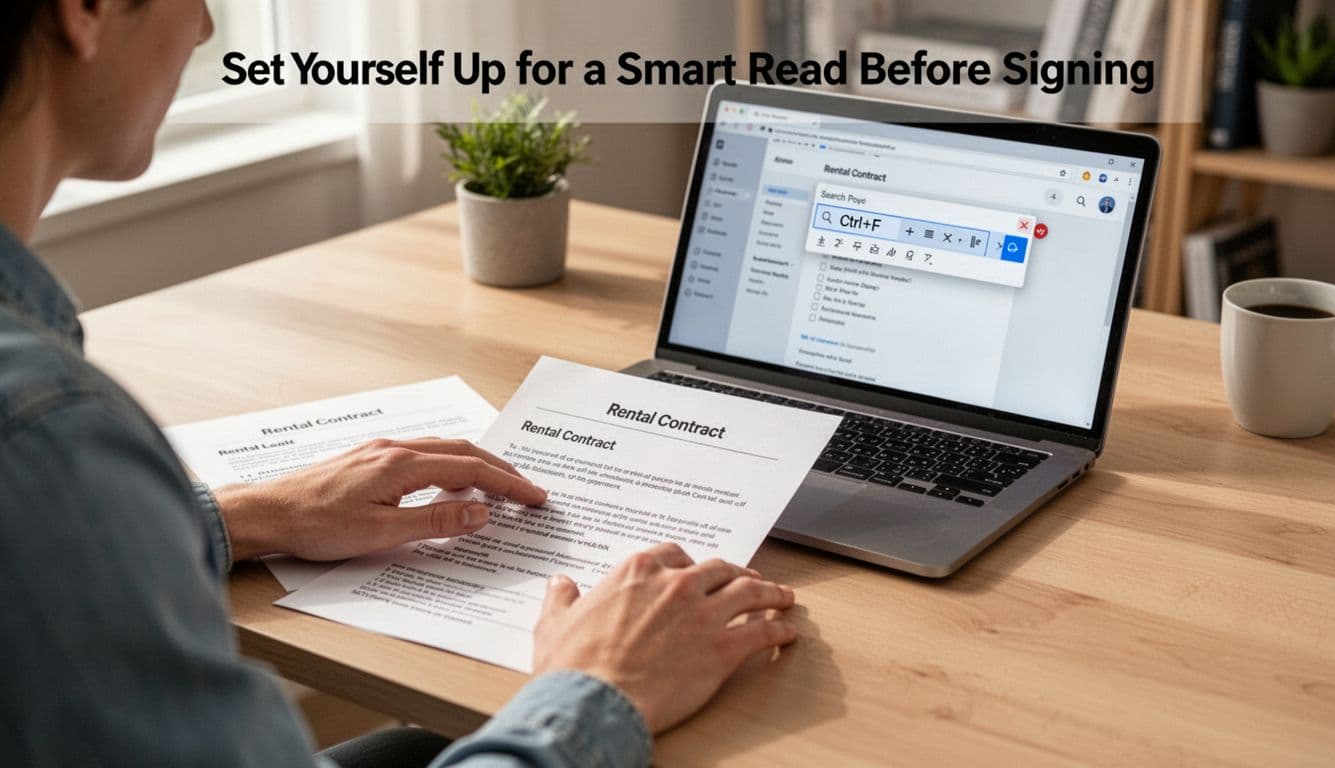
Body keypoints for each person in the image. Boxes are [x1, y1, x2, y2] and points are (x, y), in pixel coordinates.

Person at [0, 1, 800, 766]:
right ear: (87, 8)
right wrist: (600, 688)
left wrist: (248, 516)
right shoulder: (50, 437)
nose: (207, 25)